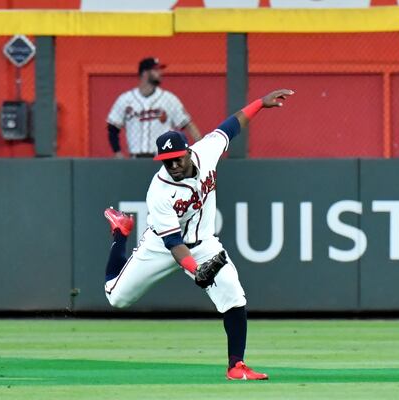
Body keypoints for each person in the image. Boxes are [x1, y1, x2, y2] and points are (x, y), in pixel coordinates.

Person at [103, 88, 294, 380]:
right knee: (116, 298)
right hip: (162, 246)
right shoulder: (159, 190)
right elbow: (173, 243)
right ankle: (120, 233)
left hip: (204, 242)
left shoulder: (206, 150)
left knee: (232, 292)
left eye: (178, 158)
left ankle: (236, 366)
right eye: (168, 161)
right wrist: (195, 268)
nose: (174, 165)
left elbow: (231, 125)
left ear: (189, 152)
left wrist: (260, 104)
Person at [106, 57, 202, 158]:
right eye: (156, 70)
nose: (160, 73)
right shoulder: (126, 99)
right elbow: (112, 128)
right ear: (145, 73)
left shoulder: (169, 99)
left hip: (163, 158)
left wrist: (202, 148)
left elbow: (188, 125)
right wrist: (117, 152)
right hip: (135, 159)